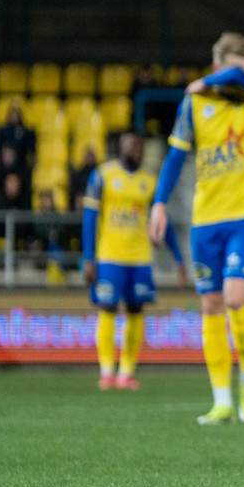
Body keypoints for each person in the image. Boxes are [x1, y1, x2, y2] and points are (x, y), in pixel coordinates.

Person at [149, 32, 244, 426]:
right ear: (220, 64)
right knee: (210, 305)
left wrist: (209, 80)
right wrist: (158, 204)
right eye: (240, 66)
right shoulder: (195, 104)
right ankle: (221, 399)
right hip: (207, 218)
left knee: (236, 298)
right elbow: (175, 156)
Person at [84, 131, 188, 390]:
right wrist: (89, 258)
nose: (137, 150)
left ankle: (127, 372)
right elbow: (89, 218)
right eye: (132, 146)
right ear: (120, 148)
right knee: (107, 309)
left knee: (135, 312)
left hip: (140, 258)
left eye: (140, 146)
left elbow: (163, 221)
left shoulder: (150, 181)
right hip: (109, 255)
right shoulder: (103, 175)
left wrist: (178, 258)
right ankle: (106, 371)